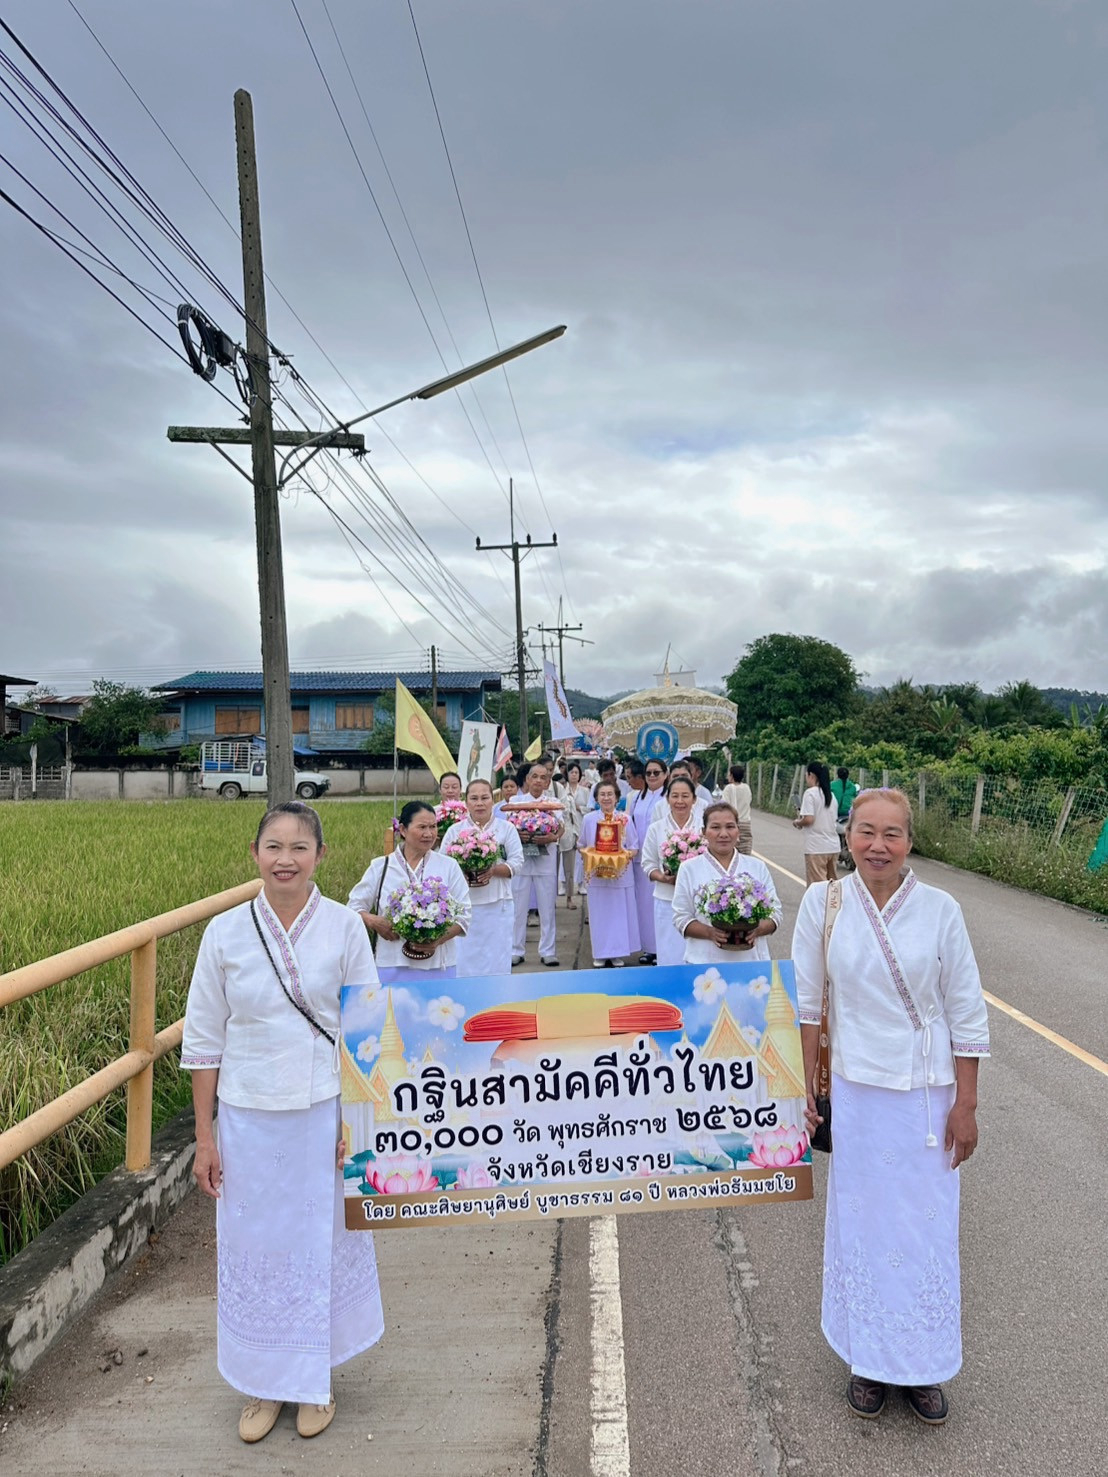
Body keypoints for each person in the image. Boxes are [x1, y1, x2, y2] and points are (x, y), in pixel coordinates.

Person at [181, 802, 384, 1445]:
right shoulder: (226, 932)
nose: (286, 858)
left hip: (323, 1112)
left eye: (300, 847)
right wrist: (205, 1136)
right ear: (255, 852)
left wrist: (360, 1118)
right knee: (255, 1249)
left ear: (320, 857)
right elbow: (205, 1038)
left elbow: (366, 1031)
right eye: (274, 845)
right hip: (247, 1115)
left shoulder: (346, 927)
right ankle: (263, 1384)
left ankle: (315, 1378)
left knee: (318, 1242)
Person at [792, 788, 989, 1426]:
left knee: (925, 1231)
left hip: (927, 1100)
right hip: (855, 1089)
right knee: (864, 1228)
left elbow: (965, 1009)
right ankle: (870, 1361)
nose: (878, 846)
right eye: (866, 832)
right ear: (847, 834)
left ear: (910, 841)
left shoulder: (940, 910)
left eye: (893, 834)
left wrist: (967, 1103)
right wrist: (807, 1089)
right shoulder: (824, 905)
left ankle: (924, 1366)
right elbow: (809, 1007)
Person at [348, 800, 471, 983]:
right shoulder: (381, 866)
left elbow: (464, 914)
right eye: (422, 827)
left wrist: (437, 941)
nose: (429, 834)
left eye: (433, 826)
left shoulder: (448, 865)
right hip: (391, 963)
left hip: (438, 964)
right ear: (403, 830)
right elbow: (353, 906)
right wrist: (374, 921)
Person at [672, 802, 781, 963]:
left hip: (751, 961)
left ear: (738, 831)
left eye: (730, 827)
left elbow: (775, 913)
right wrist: (710, 933)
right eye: (715, 827)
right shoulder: (689, 869)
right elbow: (681, 917)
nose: (723, 834)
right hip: (704, 962)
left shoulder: (757, 867)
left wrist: (757, 930)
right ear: (704, 832)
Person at [440, 779, 524, 977]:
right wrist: (462, 873)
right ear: (466, 802)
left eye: (485, 798)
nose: (479, 803)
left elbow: (517, 861)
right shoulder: (454, 830)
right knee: (463, 958)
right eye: (474, 798)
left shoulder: (506, 829)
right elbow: (443, 864)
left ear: (492, 802)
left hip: (498, 905)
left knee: (497, 957)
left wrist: (493, 870)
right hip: (464, 907)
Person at [506, 761, 563, 967]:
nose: (538, 781)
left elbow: (560, 827)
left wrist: (551, 837)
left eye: (543, 777)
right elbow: (508, 827)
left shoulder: (554, 802)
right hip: (522, 860)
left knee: (547, 908)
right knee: (518, 908)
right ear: (527, 780)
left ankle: (548, 951)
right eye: (534, 777)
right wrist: (518, 834)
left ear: (548, 782)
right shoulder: (516, 801)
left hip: (545, 860)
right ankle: (515, 949)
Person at [578, 778, 640, 966]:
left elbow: (634, 846)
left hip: (620, 875)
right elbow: (581, 844)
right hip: (597, 874)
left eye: (610, 794)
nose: (606, 798)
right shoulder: (589, 819)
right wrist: (592, 856)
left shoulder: (625, 819)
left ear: (617, 798)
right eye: (602, 794)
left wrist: (622, 857)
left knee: (618, 914)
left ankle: (617, 953)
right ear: (596, 798)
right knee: (599, 914)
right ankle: (600, 952)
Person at [641, 773, 702, 967]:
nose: (680, 801)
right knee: (668, 953)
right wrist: (663, 878)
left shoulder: (703, 828)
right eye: (675, 796)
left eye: (685, 796)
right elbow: (648, 864)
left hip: (699, 899)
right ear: (667, 799)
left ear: (694, 799)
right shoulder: (656, 829)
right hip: (666, 899)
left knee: (696, 954)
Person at [627, 758, 664, 962]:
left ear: (665, 775)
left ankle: (661, 949)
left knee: (657, 904)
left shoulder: (667, 798)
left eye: (656, 773)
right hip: (638, 857)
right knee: (643, 905)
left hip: (658, 859)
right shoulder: (636, 797)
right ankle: (649, 948)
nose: (652, 776)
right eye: (648, 773)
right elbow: (629, 824)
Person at [794, 761, 840, 885]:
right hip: (833, 845)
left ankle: (818, 905)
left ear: (811, 775)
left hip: (816, 847)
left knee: (817, 886)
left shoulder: (810, 793)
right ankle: (834, 905)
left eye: (806, 776)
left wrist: (798, 822)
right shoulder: (831, 795)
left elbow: (809, 819)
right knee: (832, 886)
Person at [557, 761, 589, 909]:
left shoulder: (584, 790)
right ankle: (562, 885)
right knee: (565, 861)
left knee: (580, 858)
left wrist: (579, 808)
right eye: (571, 772)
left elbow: (589, 808)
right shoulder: (562, 790)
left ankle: (582, 883)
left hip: (581, 823)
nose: (574, 775)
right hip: (566, 827)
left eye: (576, 772)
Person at [721, 763, 754, 854]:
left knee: (732, 851)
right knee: (745, 850)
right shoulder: (747, 787)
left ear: (731, 775)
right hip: (746, 822)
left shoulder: (729, 788)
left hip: (734, 822)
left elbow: (725, 805)